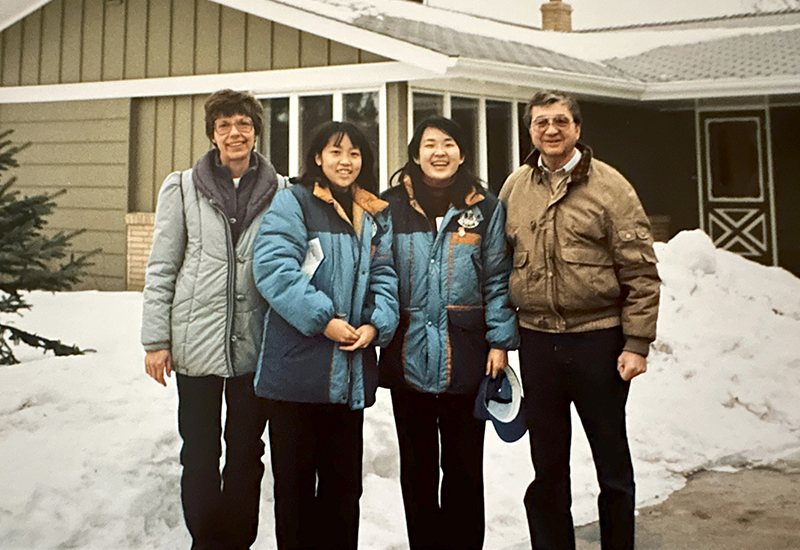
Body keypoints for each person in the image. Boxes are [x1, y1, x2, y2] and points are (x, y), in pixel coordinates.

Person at [499, 90, 661, 550]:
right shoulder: (515, 188)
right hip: (538, 345)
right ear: (530, 130)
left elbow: (640, 272)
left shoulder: (611, 188)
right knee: (547, 467)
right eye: (541, 123)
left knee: (612, 465)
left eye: (560, 121)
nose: (551, 130)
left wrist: (636, 344)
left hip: (598, 343)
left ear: (578, 128)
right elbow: (498, 265)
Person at [141, 89, 285, 550]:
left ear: (256, 131)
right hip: (194, 341)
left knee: (246, 453)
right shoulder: (182, 186)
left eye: (243, 123)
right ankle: (206, 541)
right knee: (200, 453)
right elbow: (162, 265)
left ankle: (236, 541)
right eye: (223, 125)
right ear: (212, 134)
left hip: (256, 346)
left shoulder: (281, 191)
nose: (234, 133)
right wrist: (155, 340)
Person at [252, 121, 399, 550]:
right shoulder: (293, 202)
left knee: (342, 493)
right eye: (335, 152)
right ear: (317, 157)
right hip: (296, 376)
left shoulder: (372, 212)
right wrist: (325, 320)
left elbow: (385, 275)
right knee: (296, 494)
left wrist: (376, 323)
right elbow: (274, 270)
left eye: (354, 153)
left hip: (346, 377)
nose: (345, 161)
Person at [379, 116, 519, 550]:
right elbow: (381, 272)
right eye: (429, 144)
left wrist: (500, 340)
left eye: (449, 143)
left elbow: (497, 278)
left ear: (462, 153)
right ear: (415, 153)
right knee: (418, 470)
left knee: (463, 469)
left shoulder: (486, 209)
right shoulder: (389, 207)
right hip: (409, 355)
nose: (439, 152)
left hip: (467, 355)